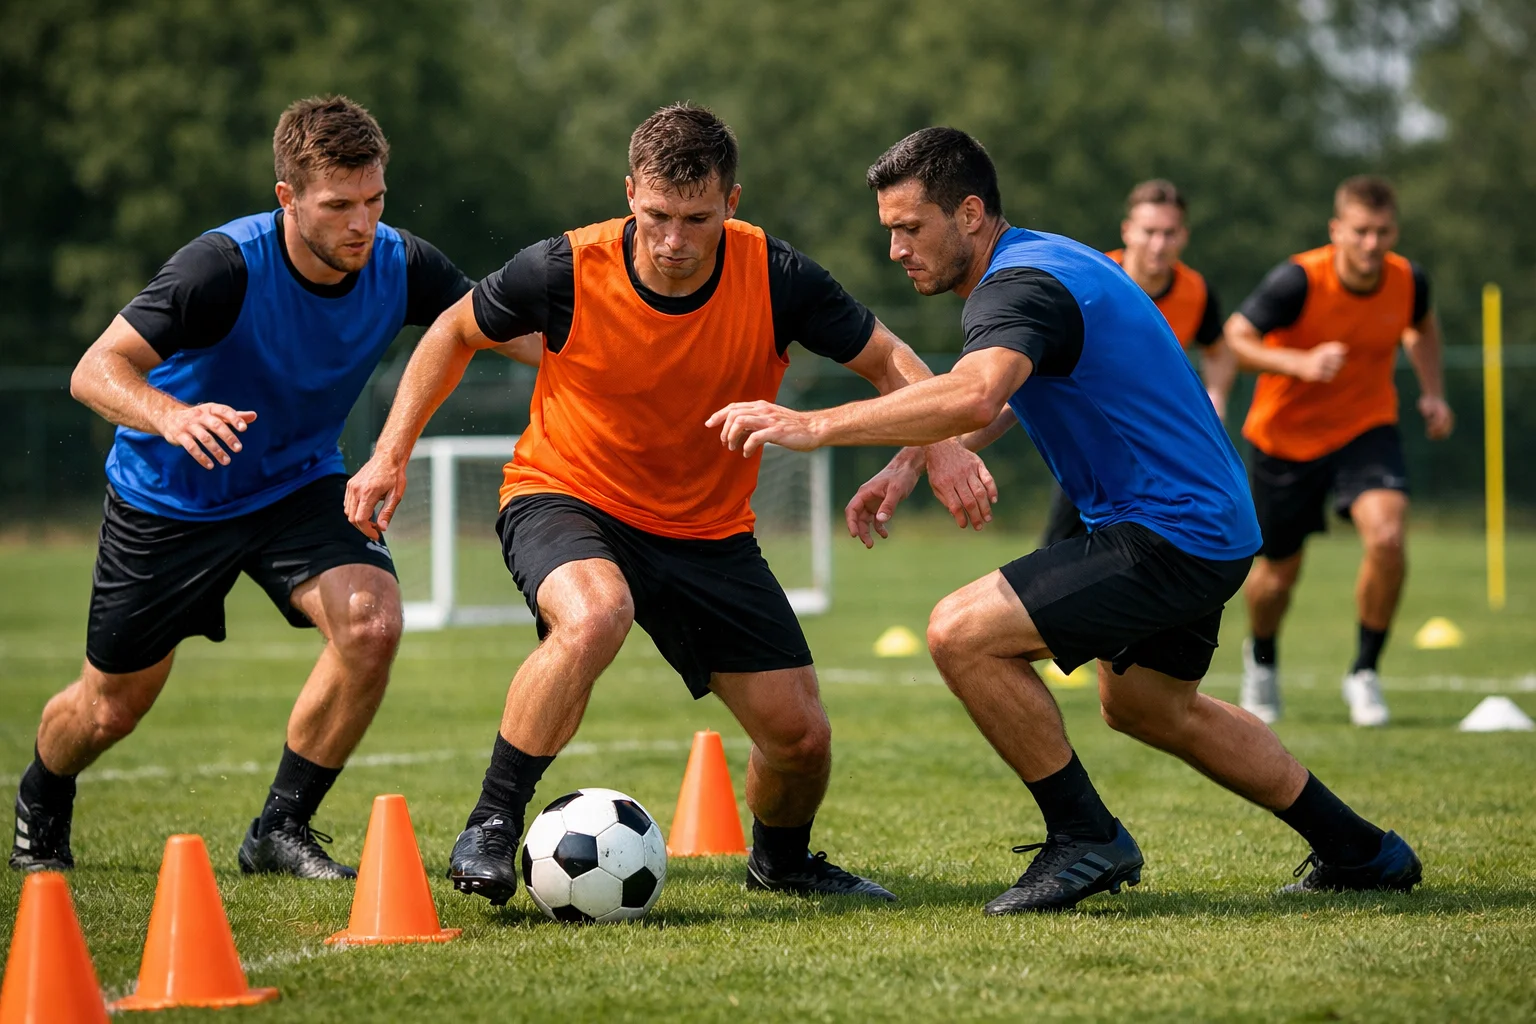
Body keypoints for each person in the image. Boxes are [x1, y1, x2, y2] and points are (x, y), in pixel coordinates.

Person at [709, 128, 1421, 914]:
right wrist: (913, 459)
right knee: (1150, 707)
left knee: (959, 632)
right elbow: (1006, 394)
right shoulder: (1043, 262)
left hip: (1168, 529)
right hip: (1206, 524)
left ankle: (1084, 837)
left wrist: (815, 426)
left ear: (970, 213)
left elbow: (978, 392)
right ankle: (1362, 851)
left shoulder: (1020, 287)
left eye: (910, 228)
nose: (896, 250)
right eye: (890, 232)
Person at [345, 104, 994, 907]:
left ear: (732, 202)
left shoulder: (777, 275)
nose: (674, 241)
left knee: (800, 738)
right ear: (630, 196)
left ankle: (782, 862)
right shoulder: (564, 268)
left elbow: (888, 356)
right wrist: (390, 451)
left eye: (697, 218)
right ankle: (491, 820)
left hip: (707, 532)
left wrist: (942, 441)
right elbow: (450, 332)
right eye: (655, 216)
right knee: (594, 614)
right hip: (566, 493)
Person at [10, 96, 477, 880]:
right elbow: (95, 369)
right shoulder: (221, 267)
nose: (361, 223)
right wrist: (171, 416)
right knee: (110, 708)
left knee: (371, 625)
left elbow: (502, 328)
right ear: (288, 198)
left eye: (374, 199)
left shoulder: (402, 264)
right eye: (337, 206)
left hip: (297, 484)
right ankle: (41, 795)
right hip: (169, 499)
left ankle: (280, 828)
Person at [1225, 176, 1453, 727]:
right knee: (1278, 575)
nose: (1371, 244)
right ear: (1337, 231)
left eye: (1382, 232)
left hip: (1365, 428)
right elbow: (1236, 337)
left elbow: (1421, 328)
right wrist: (1299, 364)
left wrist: (1433, 393)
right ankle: (1262, 663)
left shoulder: (1407, 281)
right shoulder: (1298, 280)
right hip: (1285, 438)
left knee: (1389, 537)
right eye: (1360, 232)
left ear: (1394, 230)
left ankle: (1365, 673)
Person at [1039, 179, 1236, 546]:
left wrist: (1216, 396)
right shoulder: (1089, 278)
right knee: (1060, 553)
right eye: (1149, 232)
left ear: (1184, 236)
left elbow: (1220, 351)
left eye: (1169, 233)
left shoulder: (1197, 292)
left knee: (1176, 551)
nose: (1159, 245)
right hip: (1091, 445)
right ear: (1128, 231)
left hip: (1158, 448)